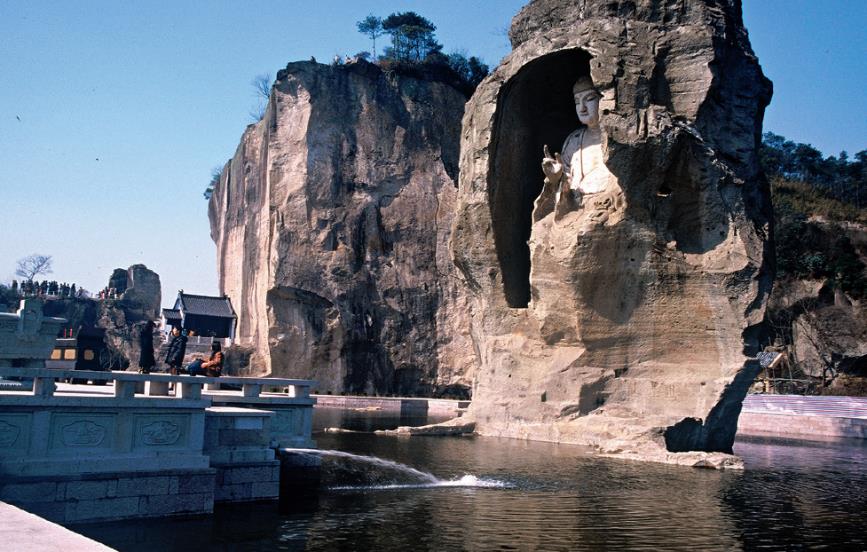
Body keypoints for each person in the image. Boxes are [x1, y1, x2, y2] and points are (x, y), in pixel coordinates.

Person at [538, 75, 615, 220]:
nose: (582, 108)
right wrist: (557, 178)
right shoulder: (573, 140)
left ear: (603, 100)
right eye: (577, 102)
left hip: (608, 207)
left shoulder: (617, 139)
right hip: (577, 211)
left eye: (589, 99)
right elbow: (567, 188)